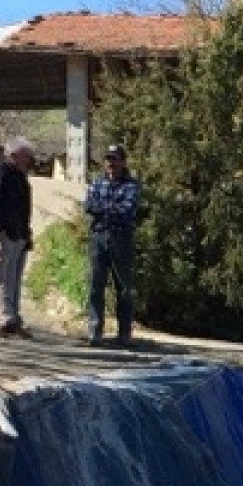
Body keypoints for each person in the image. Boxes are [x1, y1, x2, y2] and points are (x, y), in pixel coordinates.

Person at [82, 143, 141, 346]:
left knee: (123, 288)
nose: (110, 163)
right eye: (108, 159)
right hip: (99, 238)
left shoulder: (131, 185)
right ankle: (95, 331)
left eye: (114, 159)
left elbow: (127, 210)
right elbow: (89, 206)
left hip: (121, 239)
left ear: (123, 162)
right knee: (95, 286)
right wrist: (109, 207)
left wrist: (103, 208)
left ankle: (124, 333)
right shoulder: (97, 183)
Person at [0, 136, 36, 338]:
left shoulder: (19, 176)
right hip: (0, 234)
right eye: (27, 155)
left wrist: (25, 234)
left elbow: (22, 207)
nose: (30, 159)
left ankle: (7, 319)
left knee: (10, 280)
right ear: (15, 155)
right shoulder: (0, 173)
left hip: (16, 234)